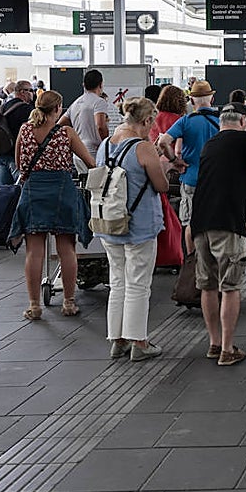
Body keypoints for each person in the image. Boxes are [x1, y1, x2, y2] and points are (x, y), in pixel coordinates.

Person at [190, 103, 246, 366]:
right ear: (243, 122)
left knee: (208, 286)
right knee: (231, 286)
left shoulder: (211, 144)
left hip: (200, 222)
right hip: (226, 224)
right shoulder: (244, 140)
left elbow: (215, 185)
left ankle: (214, 344)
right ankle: (228, 349)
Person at [10, 90, 96, 321]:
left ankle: (34, 305)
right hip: (62, 192)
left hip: (33, 192)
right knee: (66, 249)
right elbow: (90, 162)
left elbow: (20, 164)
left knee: (34, 251)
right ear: (58, 108)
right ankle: (68, 302)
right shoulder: (65, 133)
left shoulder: (25, 130)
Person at [96, 98, 169, 362]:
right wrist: (165, 164)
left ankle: (117, 340)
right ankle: (139, 341)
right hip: (139, 224)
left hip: (109, 223)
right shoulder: (143, 147)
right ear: (147, 120)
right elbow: (161, 186)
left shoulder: (105, 146)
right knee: (138, 283)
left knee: (118, 282)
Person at [156, 80, 221, 254]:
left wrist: (174, 160)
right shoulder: (221, 122)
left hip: (191, 177)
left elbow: (163, 142)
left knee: (191, 223)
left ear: (192, 101)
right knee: (216, 222)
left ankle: (193, 261)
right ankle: (212, 260)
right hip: (217, 180)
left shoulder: (185, 121)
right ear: (212, 99)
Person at [61, 69, 110, 173]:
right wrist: (106, 146)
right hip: (94, 152)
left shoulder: (75, 103)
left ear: (84, 85)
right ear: (100, 84)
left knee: (84, 185)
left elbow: (59, 125)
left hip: (78, 154)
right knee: (97, 186)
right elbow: (100, 126)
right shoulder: (99, 102)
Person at [0, 79, 35, 185]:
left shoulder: (3, 107)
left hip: (0, 155)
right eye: (31, 90)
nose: (33, 93)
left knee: (2, 192)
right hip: (15, 156)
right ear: (22, 92)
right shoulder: (26, 109)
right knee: (20, 190)